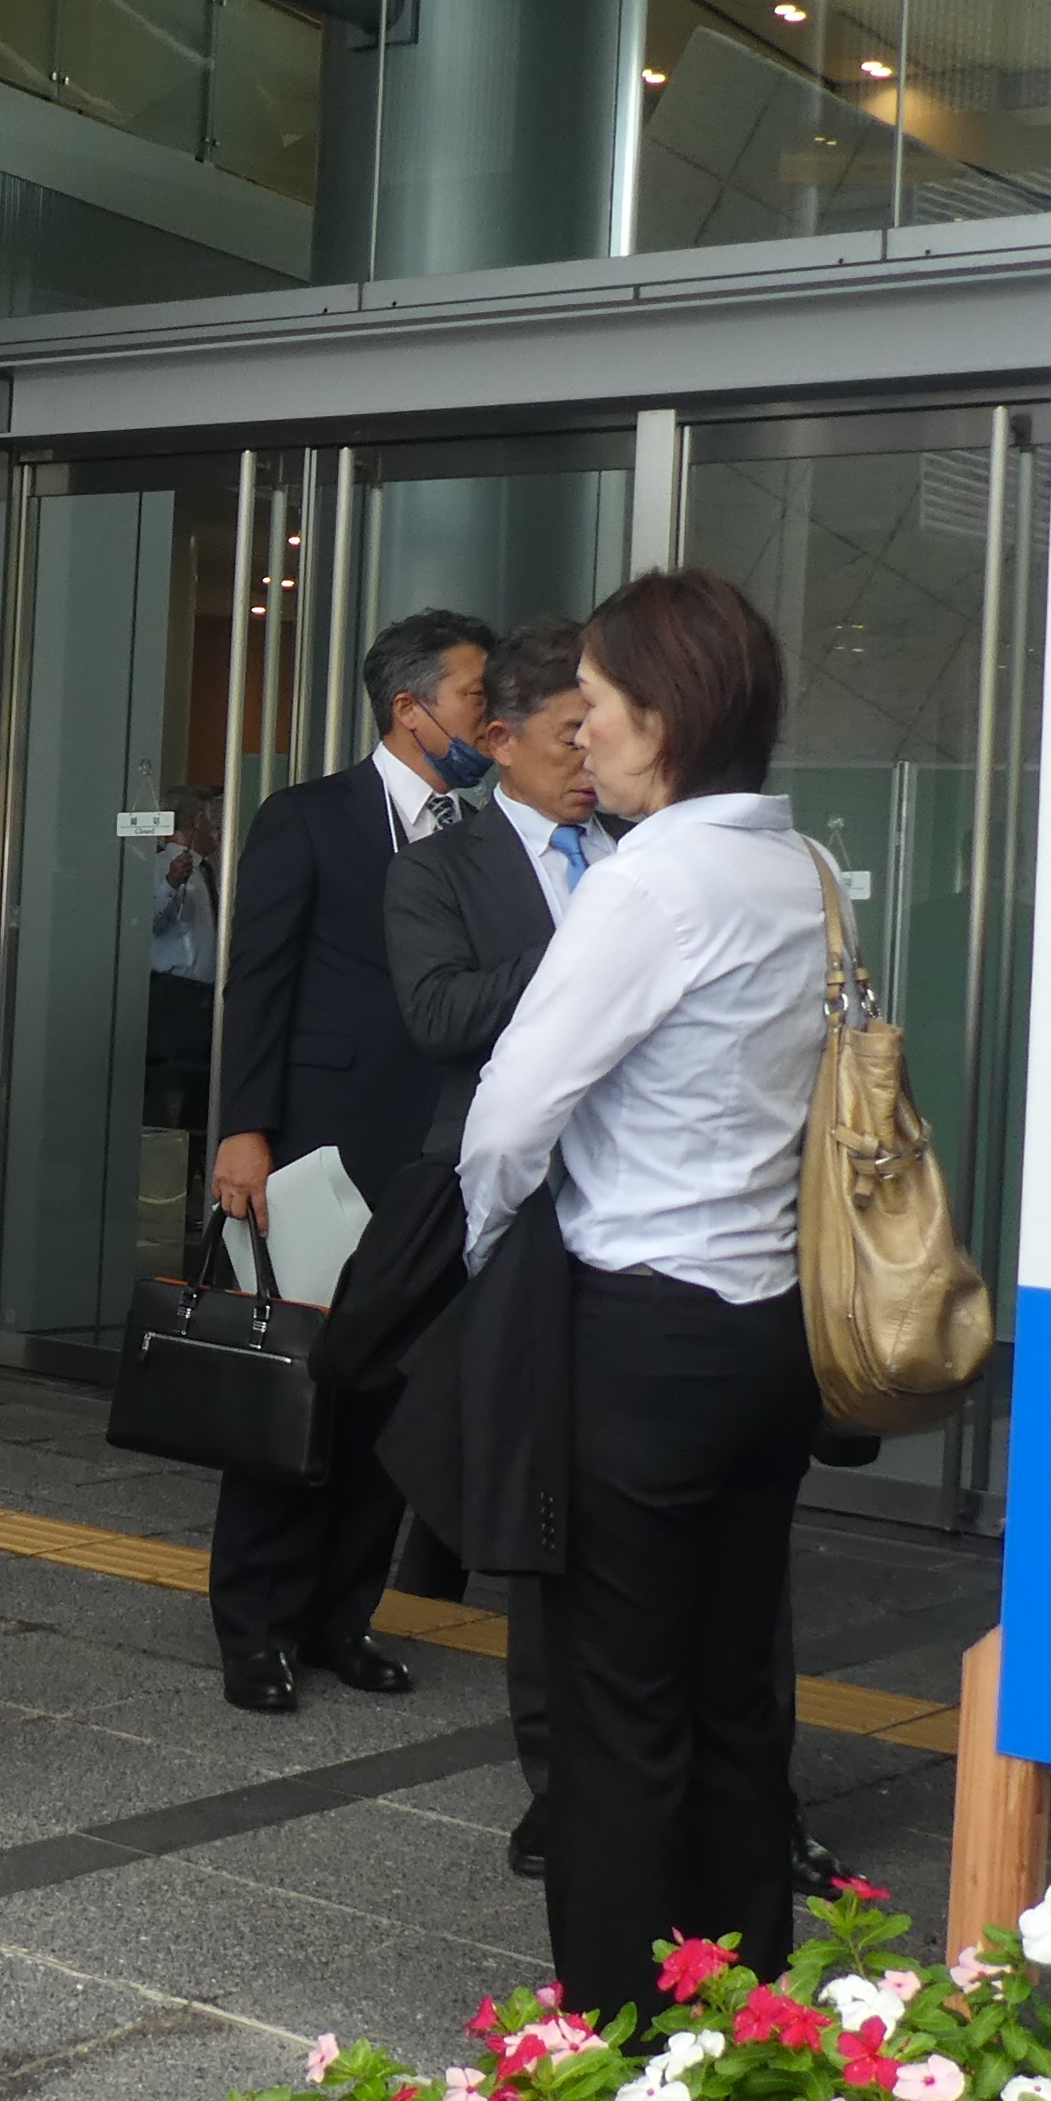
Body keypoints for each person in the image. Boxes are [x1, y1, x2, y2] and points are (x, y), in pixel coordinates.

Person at [458, 568, 830, 2021]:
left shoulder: (649, 883)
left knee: (617, 1713)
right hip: (774, 1331)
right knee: (735, 1693)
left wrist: (486, 1241)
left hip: (640, 1338)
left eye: (598, 705)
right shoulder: (805, 872)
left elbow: (512, 1114)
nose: (583, 733)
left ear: (663, 721)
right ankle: (747, 2017)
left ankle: (620, 2036)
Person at [201, 606, 492, 1714]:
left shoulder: (480, 837)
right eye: (475, 697)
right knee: (295, 1382)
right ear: (411, 708)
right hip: (321, 1148)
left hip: (438, 1155)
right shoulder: (310, 818)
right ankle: (255, 1627)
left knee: (394, 1396)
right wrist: (243, 1127)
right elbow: (259, 979)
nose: (491, 721)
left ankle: (342, 1617)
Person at [379, 624, 607, 1870]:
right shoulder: (441, 867)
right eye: (573, 736)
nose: (594, 760)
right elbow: (437, 1014)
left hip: (644, 1212)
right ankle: (556, 1784)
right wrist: (589, 953)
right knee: (539, 1501)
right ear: (504, 741)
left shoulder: (642, 852)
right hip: (519, 1215)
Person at [142, 788, 219, 1132]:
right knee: (169, 1093)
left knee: (195, 1096)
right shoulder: (158, 865)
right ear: (193, 822)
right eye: (210, 820)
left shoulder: (208, 872)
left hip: (202, 998)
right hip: (173, 997)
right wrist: (171, 883)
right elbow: (147, 923)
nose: (216, 828)